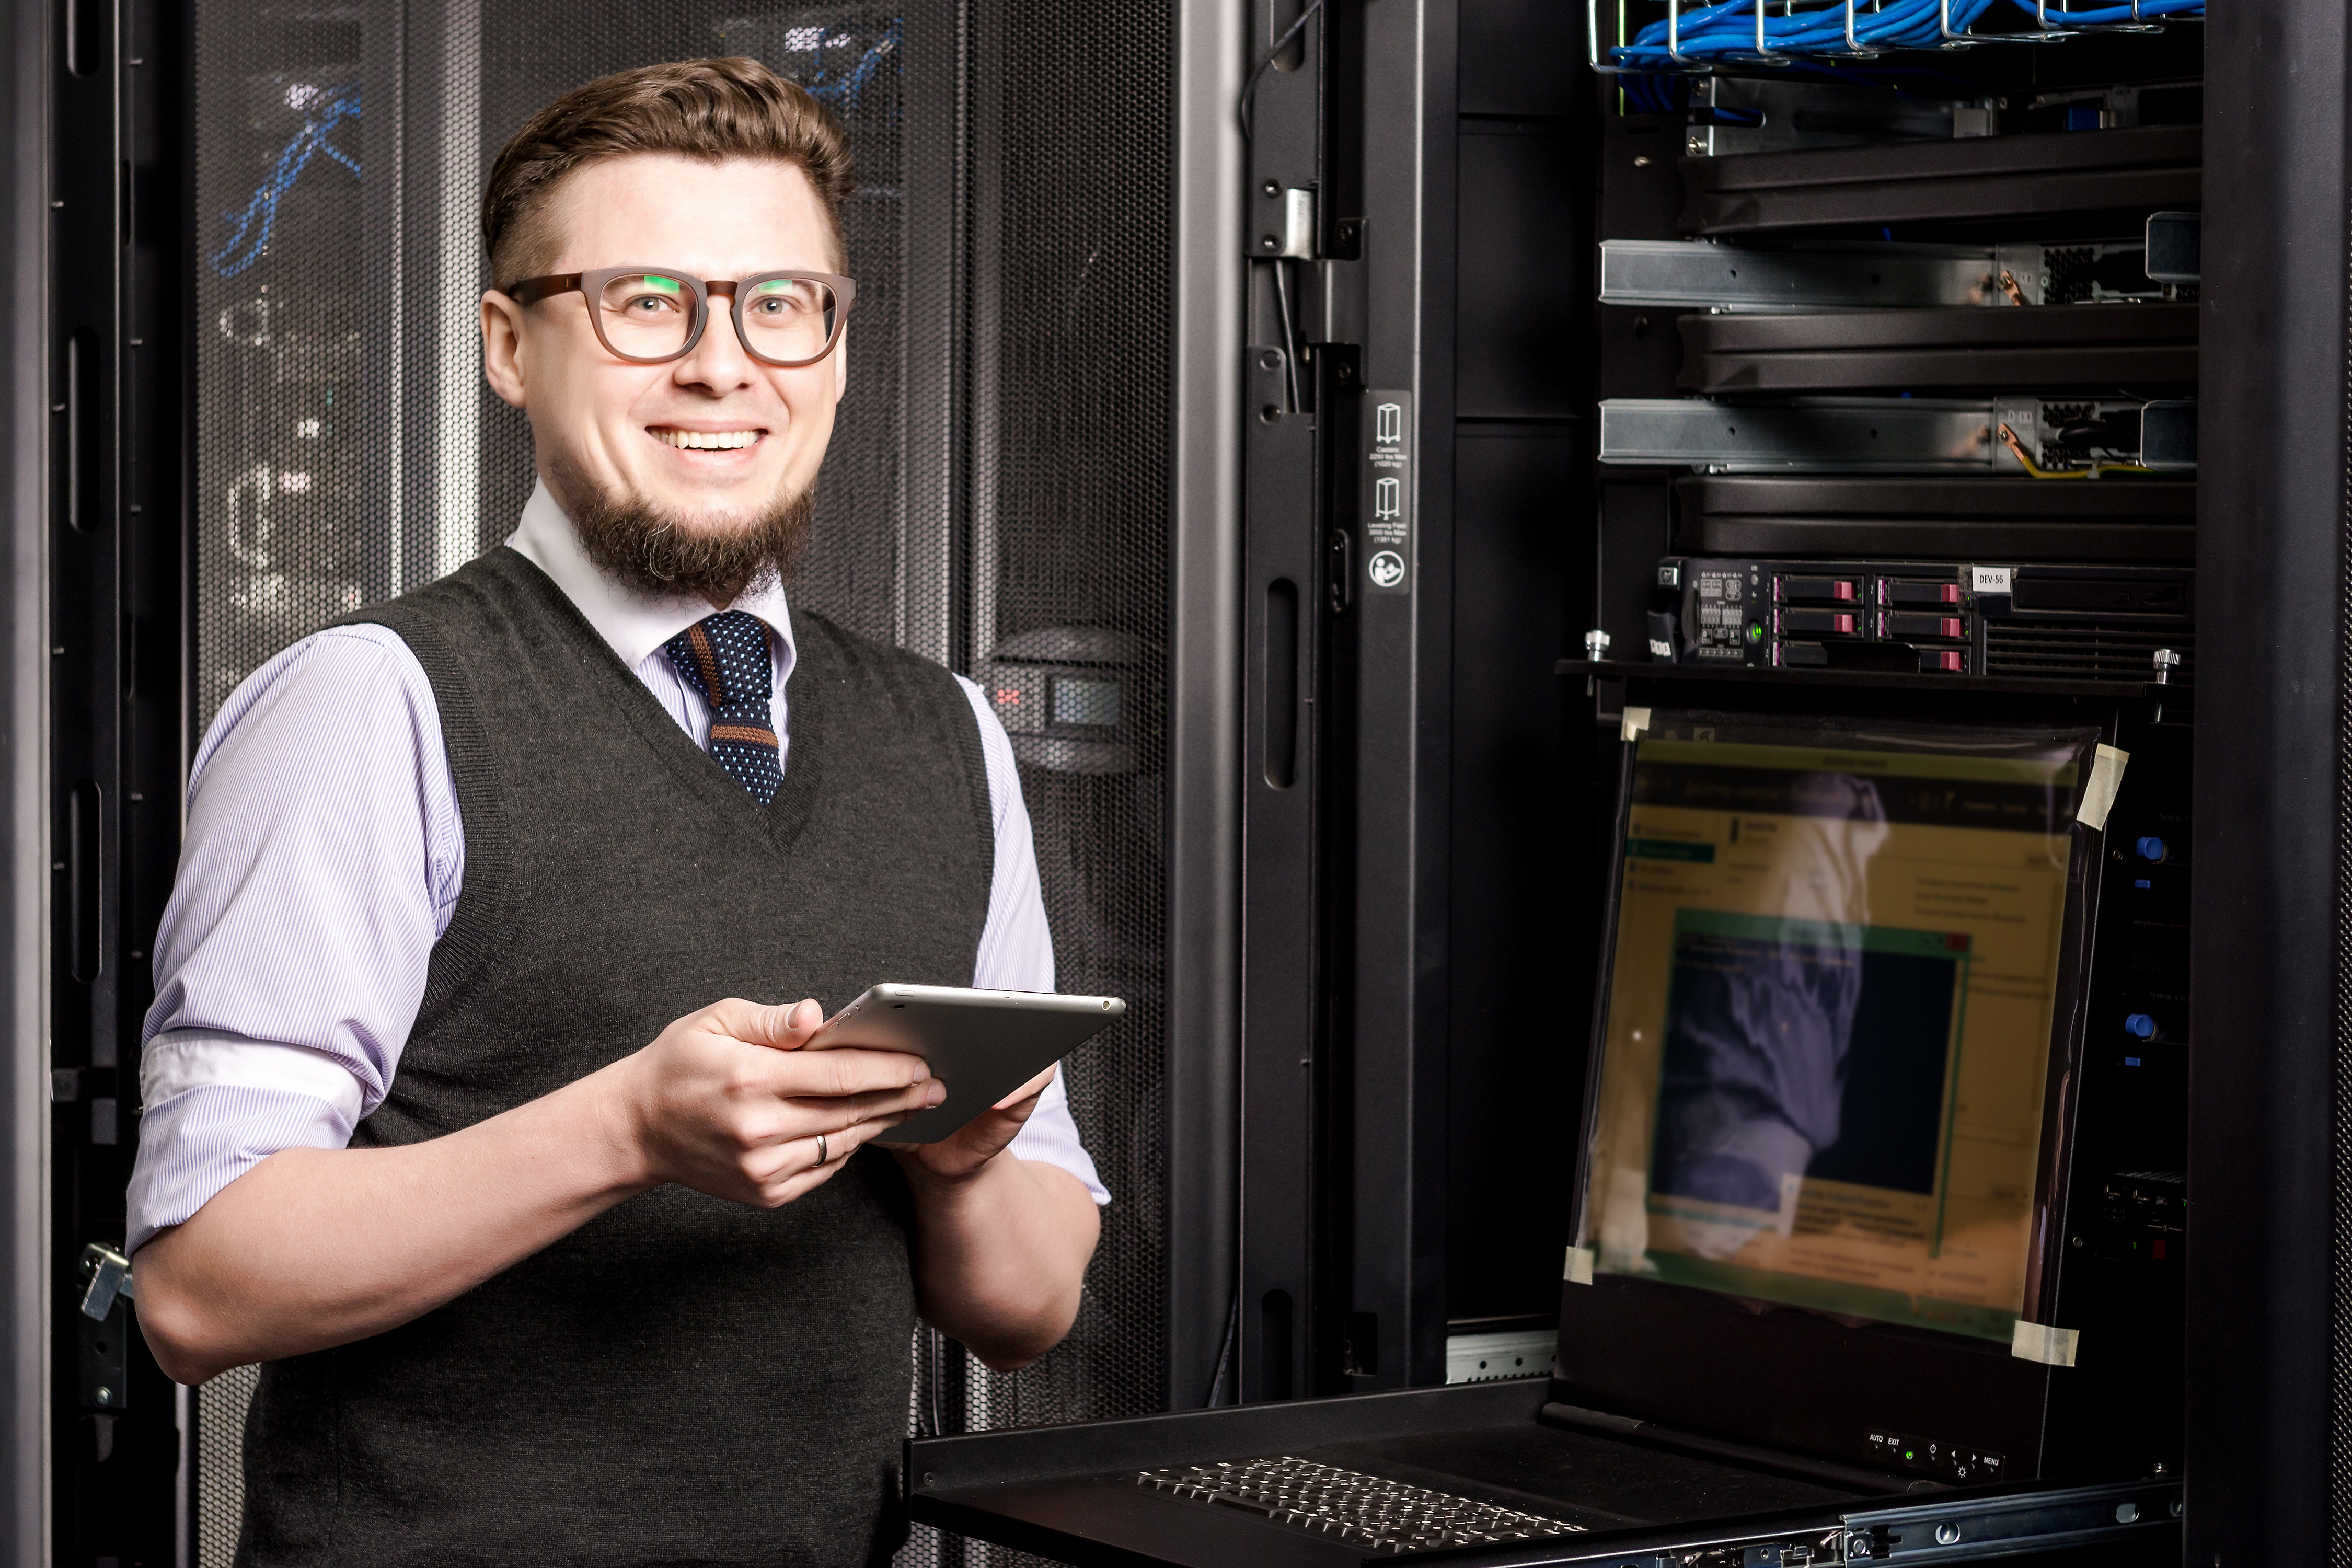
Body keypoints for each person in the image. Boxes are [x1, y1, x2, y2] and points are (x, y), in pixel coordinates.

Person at [126, 56, 1106, 1566]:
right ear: (511, 347)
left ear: (836, 352)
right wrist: (631, 1128)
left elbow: (1026, 1306)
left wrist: (964, 1164)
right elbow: (201, 1289)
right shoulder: (368, 705)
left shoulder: (947, 735)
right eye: (647, 302)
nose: (722, 366)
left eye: (777, 305)